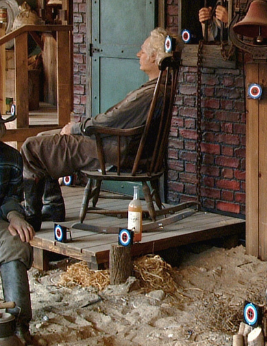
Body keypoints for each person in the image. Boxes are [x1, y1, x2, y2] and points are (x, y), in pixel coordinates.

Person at [21, 27, 169, 230]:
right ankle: (53, 205)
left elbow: (110, 120)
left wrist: (77, 128)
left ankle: (31, 216)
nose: (138, 54)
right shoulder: (157, 88)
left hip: (113, 150)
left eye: (143, 51)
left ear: (154, 57)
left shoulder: (149, 94)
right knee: (42, 137)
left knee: (32, 146)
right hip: (119, 146)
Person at [0, 120, 35, 346]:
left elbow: (11, 196)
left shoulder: (11, 158)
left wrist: (14, 215)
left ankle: (16, 326)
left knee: (16, 242)